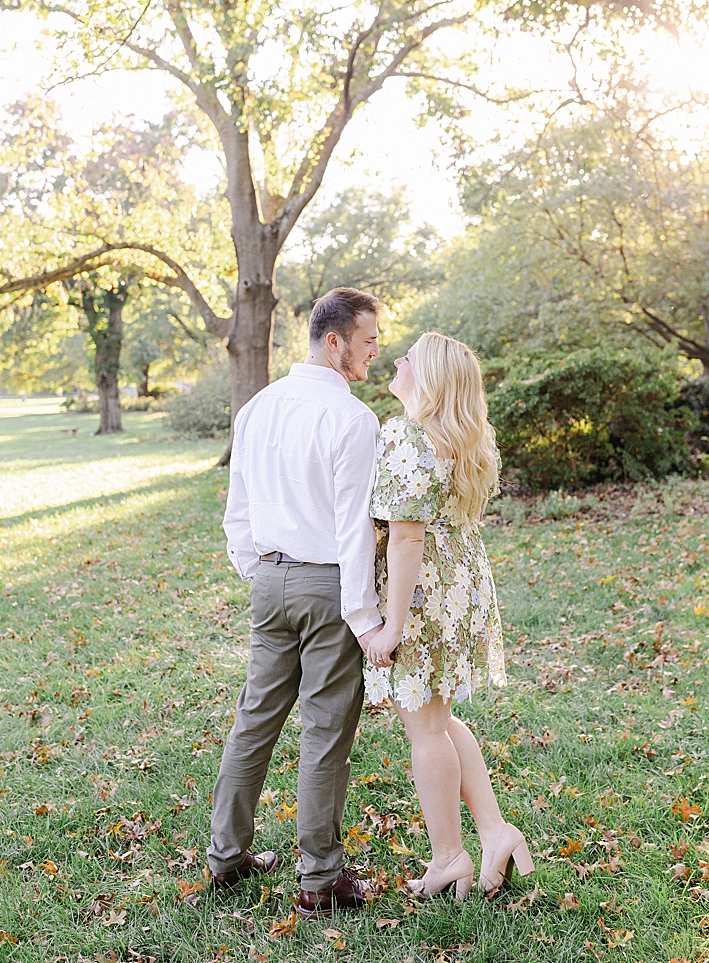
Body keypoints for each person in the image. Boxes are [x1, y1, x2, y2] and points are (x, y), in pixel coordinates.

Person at [209, 286, 387, 915]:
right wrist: (366, 616)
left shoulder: (257, 408)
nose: (374, 353)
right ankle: (321, 879)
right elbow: (353, 528)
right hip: (327, 584)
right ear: (333, 340)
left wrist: (254, 569)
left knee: (254, 719)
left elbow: (239, 508)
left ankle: (226, 857)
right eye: (367, 341)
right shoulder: (352, 419)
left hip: (270, 582)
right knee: (326, 729)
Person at [363, 331, 528, 900]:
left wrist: (392, 624)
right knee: (441, 717)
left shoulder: (407, 437)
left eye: (409, 357)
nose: (398, 360)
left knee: (426, 725)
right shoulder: (463, 441)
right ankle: (495, 831)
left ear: (428, 379)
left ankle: (447, 858)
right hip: (459, 588)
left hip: (424, 592)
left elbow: (405, 538)